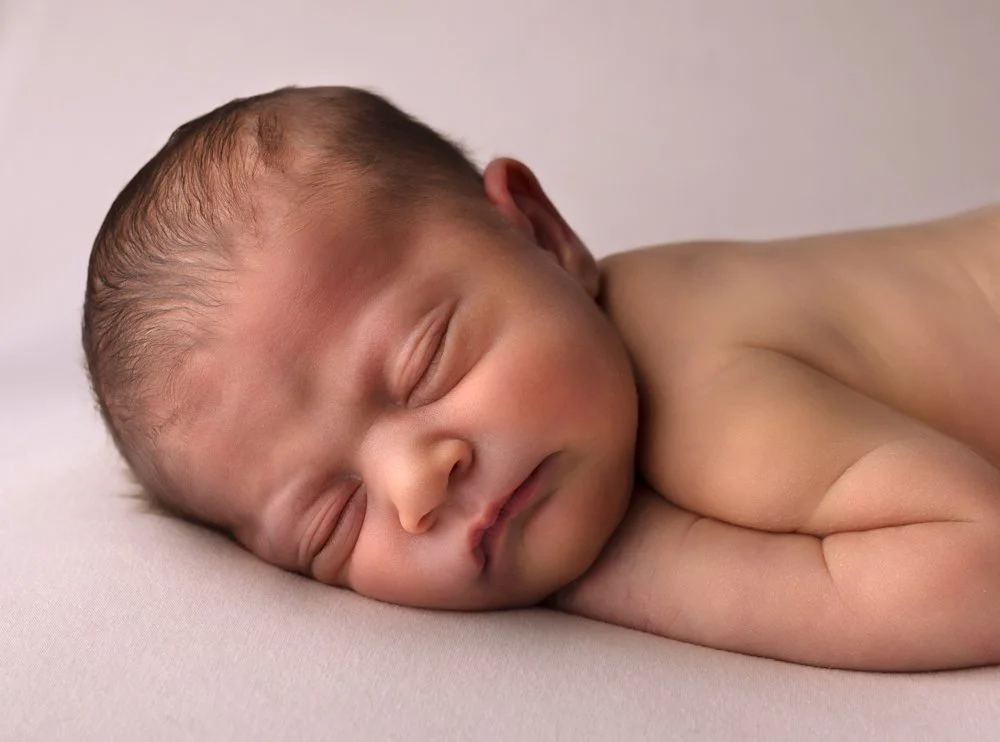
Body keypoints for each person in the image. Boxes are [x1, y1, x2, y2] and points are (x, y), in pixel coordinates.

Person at [83, 85, 1000, 671]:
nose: (413, 487)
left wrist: (630, 562)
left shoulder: (701, 382)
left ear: (540, 233)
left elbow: (977, 565)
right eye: (332, 521)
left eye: (425, 360)